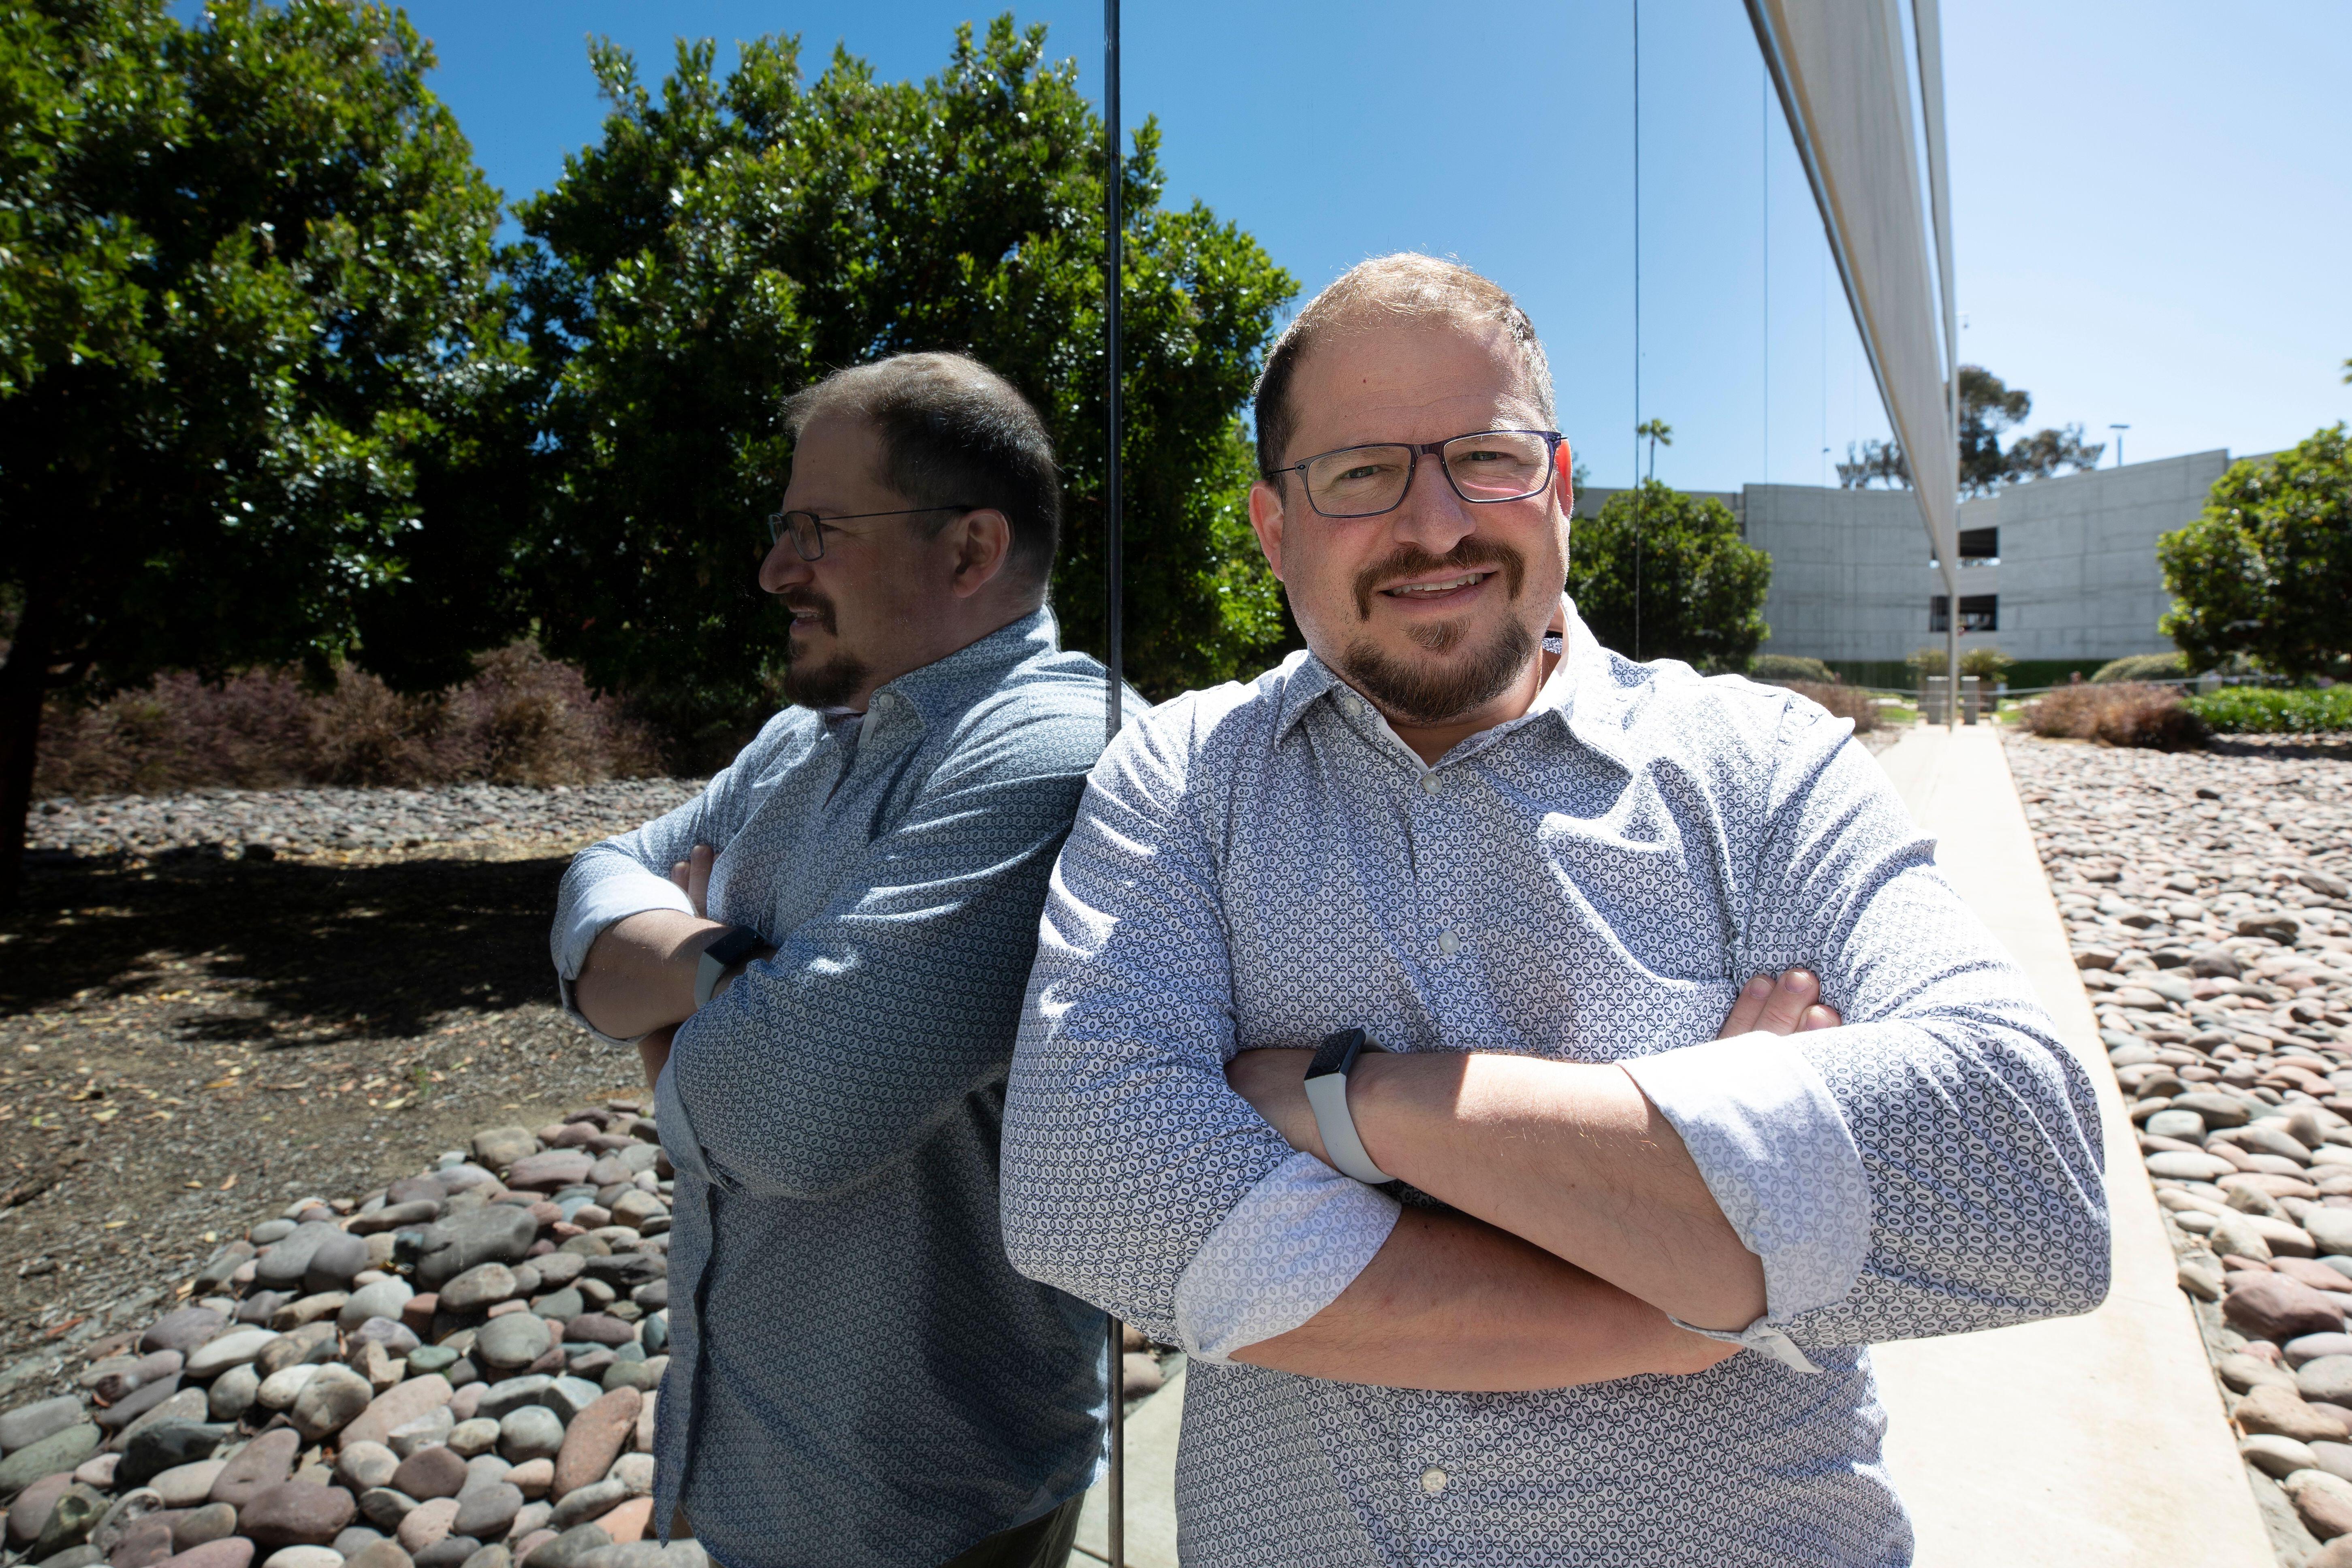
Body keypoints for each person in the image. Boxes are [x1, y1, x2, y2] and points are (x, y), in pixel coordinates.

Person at [999, 256, 2109, 1566]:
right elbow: (1086, 1184)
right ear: (1272, 527)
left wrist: (1355, 1101)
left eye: (1486, 455)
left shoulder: (1763, 767)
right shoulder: (1185, 776)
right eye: (1361, 472)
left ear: (1561, 489)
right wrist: (1691, 1287)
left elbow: (2028, 1179)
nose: (1433, 524)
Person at [553, 352, 1117, 1568]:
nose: (773, 570)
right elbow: (588, 899)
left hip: (924, 1501)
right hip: (759, 1454)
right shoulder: (799, 740)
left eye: (814, 530)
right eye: (780, 527)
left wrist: (677, 1012)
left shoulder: (1052, 753)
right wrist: (730, 980)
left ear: (970, 552)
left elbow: (784, 1120)